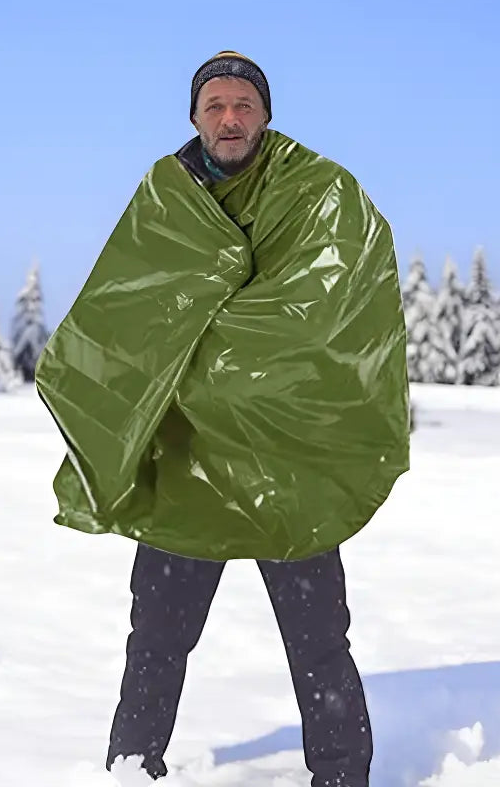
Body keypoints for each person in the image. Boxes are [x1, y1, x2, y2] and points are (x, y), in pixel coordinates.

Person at [104, 52, 375, 787]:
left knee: (318, 639)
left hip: (286, 457)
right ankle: (130, 770)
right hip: (190, 456)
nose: (230, 118)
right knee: (156, 635)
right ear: (195, 116)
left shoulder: (318, 192)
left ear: (266, 114)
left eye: (244, 105)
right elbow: (134, 309)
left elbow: (319, 312)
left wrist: (216, 337)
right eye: (215, 105)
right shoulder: (166, 195)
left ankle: (344, 776)